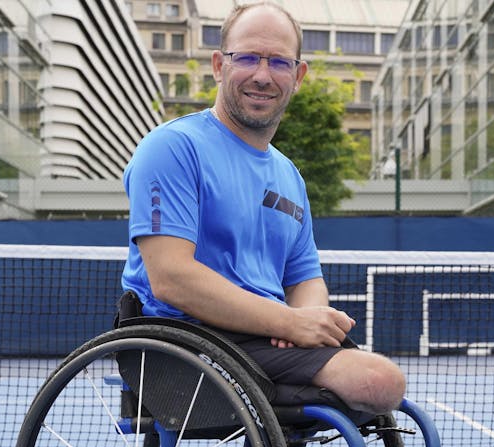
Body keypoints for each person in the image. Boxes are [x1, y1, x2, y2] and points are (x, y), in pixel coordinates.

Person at [120, 1, 405, 415]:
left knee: (364, 371)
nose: (262, 75)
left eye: (278, 62)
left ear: (298, 75)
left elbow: (304, 278)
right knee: (379, 382)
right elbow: (171, 279)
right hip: (188, 342)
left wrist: (309, 323)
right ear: (219, 66)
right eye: (248, 58)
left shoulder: (289, 175)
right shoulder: (172, 148)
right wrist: (288, 323)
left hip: (263, 341)